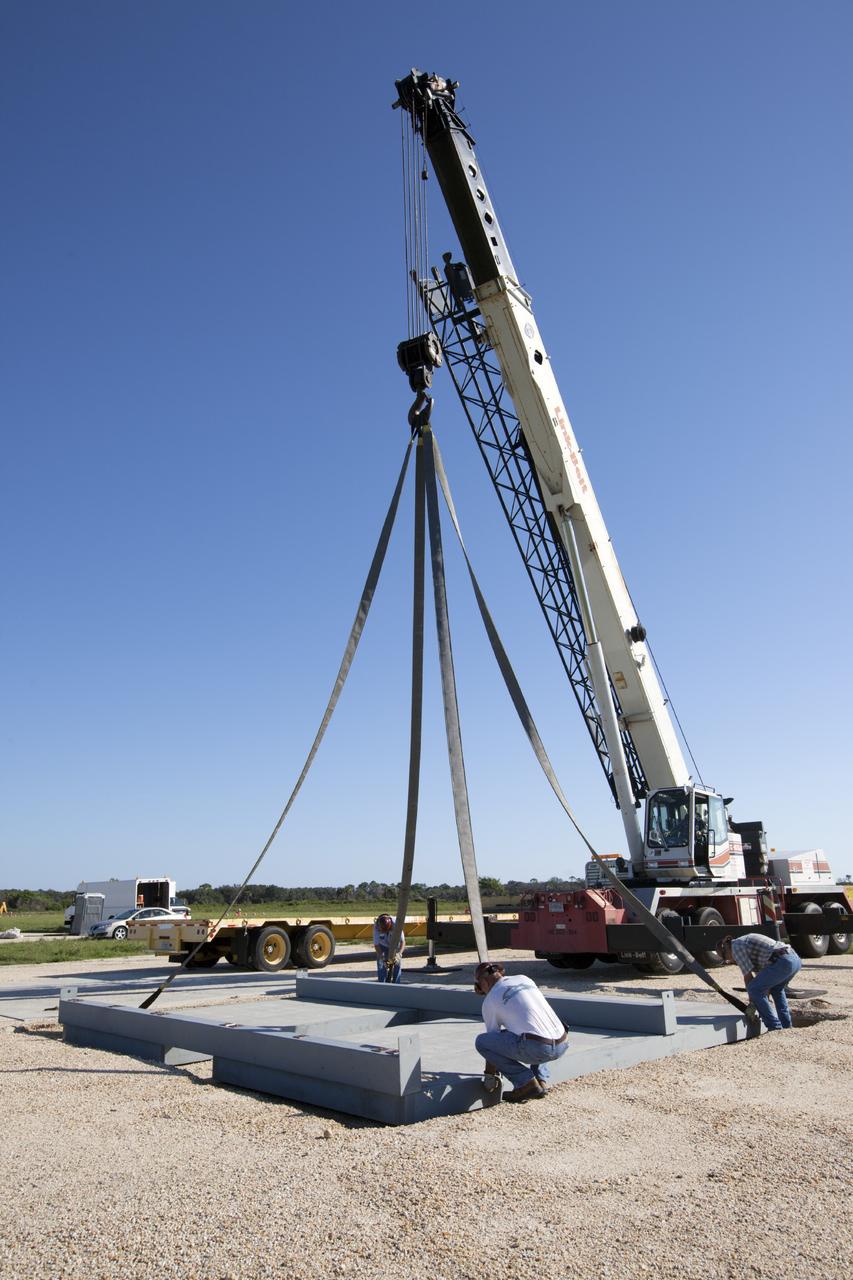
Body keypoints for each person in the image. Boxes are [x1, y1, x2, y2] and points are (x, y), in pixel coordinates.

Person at [473, 961, 568, 1102]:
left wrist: (489, 1076)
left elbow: (491, 1041)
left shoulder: (490, 1000)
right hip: (562, 1043)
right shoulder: (524, 979)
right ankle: (541, 1080)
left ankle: (526, 1083)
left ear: (484, 983)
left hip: (539, 1048)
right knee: (534, 1028)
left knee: (482, 1042)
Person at [721, 933, 802, 1031]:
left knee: (753, 988)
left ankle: (774, 1026)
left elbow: (748, 978)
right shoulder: (746, 945)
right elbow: (764, 984)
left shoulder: (736, 947)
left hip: (782, 961)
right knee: (776, 989)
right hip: (794, 959)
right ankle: (786, 1026)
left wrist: (752, 1006)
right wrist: (761, 1004)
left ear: (726, 950)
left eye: (725, 958)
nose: (727, 961)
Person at [373, 913, 405, 983]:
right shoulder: (377, 926)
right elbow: (376, 945)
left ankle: (396, 983)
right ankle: (382, 983)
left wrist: (399, 954)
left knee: (396, 963)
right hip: (382, 945)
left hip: (395, 945)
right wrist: (382, 957)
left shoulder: (397, 924)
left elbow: (403, 942)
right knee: (381, 963)